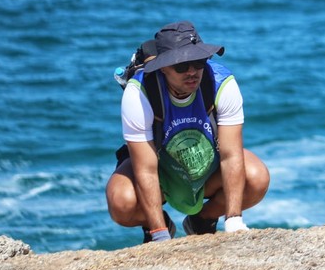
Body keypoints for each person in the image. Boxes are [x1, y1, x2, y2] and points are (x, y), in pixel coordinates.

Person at [106, 21, 270, 243]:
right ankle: (156, 223)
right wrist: (159, 235)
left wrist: (234, 221)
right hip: (160, 172)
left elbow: (231, 155)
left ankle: (202, 220)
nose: (192, 72)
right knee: (121, 202)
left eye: (198, 61)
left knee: (257, 178)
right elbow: (145, 169)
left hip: (207, 168)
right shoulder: (139, 94)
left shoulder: (222, 83)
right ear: (163, 67)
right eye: (181, 66)